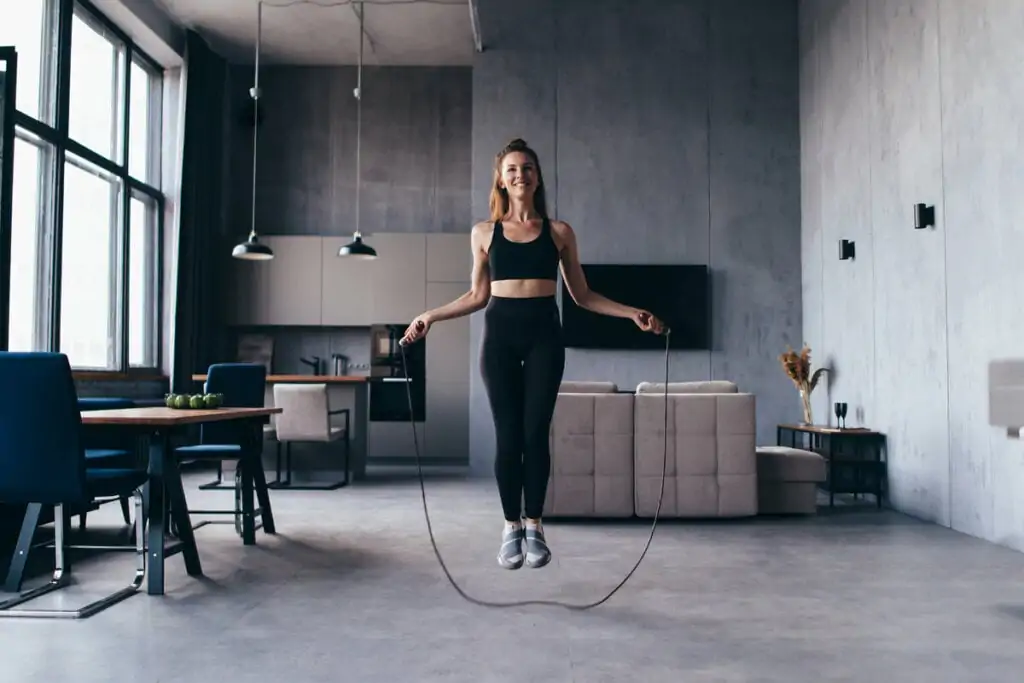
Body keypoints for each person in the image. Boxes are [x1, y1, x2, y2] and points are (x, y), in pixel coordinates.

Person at [401, 138, 664, 570]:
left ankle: (535, 526)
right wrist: (430, 315)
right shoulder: (484, 233)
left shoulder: (560, 233)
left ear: (537, 176)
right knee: (507, 435)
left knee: (534, 433)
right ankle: (510, 528)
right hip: (500, 336)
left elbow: (581, 295)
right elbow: (476, 295)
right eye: (511, 169)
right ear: (501, 181)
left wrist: (630, 313)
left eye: (526, 167)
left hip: (545, 335)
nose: (519, 174)